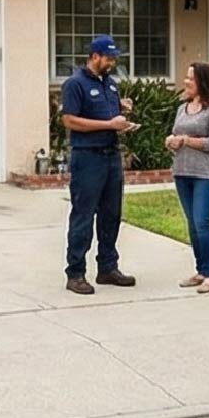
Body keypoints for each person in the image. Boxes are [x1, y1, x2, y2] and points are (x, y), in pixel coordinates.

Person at [59, 35, 138, 295]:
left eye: (114, 58)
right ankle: (76, 273)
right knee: (84, 214)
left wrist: (122, 116)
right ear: (94, 56)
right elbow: (70, 120)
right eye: (109, 58)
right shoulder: (75, 84)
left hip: (111, 156)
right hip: (88, 158)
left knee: (111, 214)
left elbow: (110, 114)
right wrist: (108, 125)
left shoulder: (110, 84)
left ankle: (107, 267)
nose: (112, 63)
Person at [167, 62, 209, 294]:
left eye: (190, 78)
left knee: (202, 222)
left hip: (207, 175)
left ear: (202, 81)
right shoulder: (182, 108)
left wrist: (185, 140)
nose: (186, 81)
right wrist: (171, 141)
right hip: (182, 172)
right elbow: (176, 135)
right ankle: (201, 270)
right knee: (192, 224)